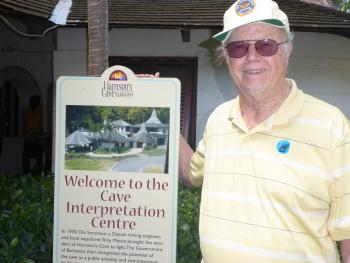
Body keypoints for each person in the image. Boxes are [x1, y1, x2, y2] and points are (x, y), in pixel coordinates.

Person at [178, 0, 350, 262]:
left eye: (265, 45)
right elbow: (192, 175)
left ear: (287, 50)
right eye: (237, 48)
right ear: (225, 56)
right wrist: (159, 107)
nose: (252, 57)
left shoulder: (331, 127)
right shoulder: (218, 120)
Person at [23, 94, 43, 174]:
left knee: (38, 156)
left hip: (37, 138)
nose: (31, 102)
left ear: (37, 102)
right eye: (30, 100)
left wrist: (37, 133)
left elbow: (41, 124)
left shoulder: (41, 111)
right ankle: (25, 172)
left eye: (33, 100)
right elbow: (25, 124)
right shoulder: (27, 111)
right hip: (28, 138)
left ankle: (38, 172)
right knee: (25, 156)